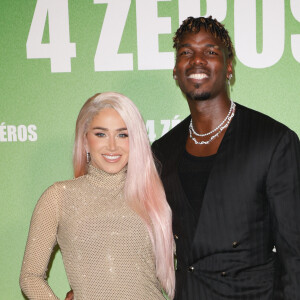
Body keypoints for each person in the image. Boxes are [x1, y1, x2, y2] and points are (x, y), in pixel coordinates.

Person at [151, 16, 300, 299]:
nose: (197, 60)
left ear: (229, 67)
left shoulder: (272, 141)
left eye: (210, 51)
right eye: (186, 52)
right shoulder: (162, 151)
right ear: (175, 70)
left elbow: (296, 253)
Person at [20, 92, 175, 300]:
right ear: (85, 141)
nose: (112, 146)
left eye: (123, 134)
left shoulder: (156, 197)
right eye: (101, 134)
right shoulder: (59, 197)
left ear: (136, 140)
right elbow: (30, 276)